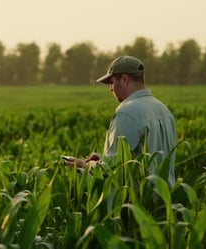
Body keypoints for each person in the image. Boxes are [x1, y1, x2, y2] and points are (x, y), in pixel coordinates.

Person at [65, 55, 176, 187]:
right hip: (165, 200)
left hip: (137, 202)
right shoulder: (164, 110)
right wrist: (102, 158)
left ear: (124, 79)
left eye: (112, 82)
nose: (110, 88)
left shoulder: (127, 112)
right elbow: (145, 156)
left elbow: (110, 169)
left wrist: (85, 165)